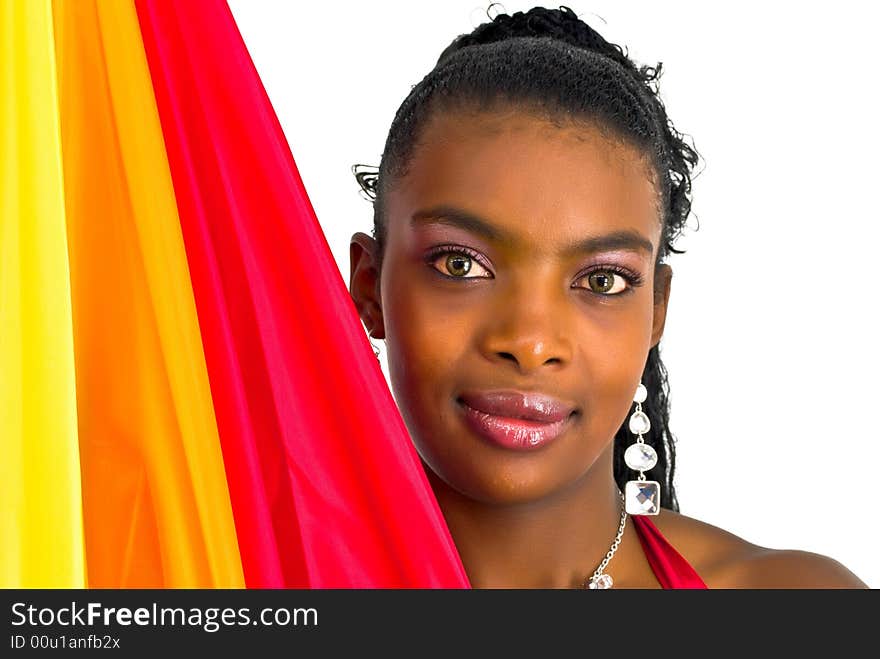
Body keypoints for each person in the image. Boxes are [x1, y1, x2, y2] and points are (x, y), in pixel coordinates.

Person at [347, 5, 867, 588]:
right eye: (462, 264)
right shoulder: (248, 578)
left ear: (655, 312)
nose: (531, 342)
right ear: (369, 286)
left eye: (602, 281)